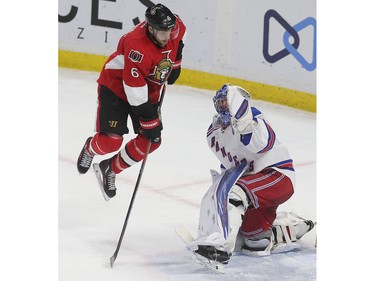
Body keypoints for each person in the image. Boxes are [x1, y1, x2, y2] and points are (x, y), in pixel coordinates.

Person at [185, 84, 315, 266]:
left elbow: (262, 145)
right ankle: (294, 226)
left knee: (235, 192)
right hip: (254, 188)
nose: (223, 106)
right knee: (254, 242)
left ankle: (221, 245)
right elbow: (230, 165)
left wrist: (243, 122)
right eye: (220, 102)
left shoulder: (254, 119)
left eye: (227, 102)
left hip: (277, 177)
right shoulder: (214, 134)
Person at [76, 3, 187, 201]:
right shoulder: (136, 45)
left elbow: (179, 40)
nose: (168, 36)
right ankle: (90, 148)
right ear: (150, 29)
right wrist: (148, 118)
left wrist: (176, 62)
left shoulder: (174, 28)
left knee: (151, 142)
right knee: (111, 141)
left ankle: (110, 168)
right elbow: (134, 90)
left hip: (148, 89)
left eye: (170, 30)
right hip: (117, 87)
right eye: (163, 32)